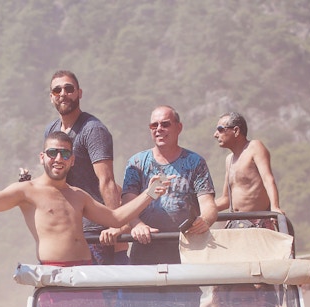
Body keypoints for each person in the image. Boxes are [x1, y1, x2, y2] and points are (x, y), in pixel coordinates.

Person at [0, 131, 169, 265]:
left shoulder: (79, 195)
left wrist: (148, 194)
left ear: (72, 161)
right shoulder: (26, 191)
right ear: (42, 157)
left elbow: (116, 218)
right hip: (55, 277)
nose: (58, 158)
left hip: (86, 272)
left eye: (65, 153)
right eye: (52, 153)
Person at [108, 105, 218, 265]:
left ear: (179, 128)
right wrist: (137, 225)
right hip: (145, 249)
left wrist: (205, 220)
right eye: (154, 125)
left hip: (186, 250)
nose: (159, 129)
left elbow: (208, 204)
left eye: (165, 124)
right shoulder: (136, 163)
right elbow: (127, 204)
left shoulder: (195, 162)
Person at [44, 69, 127, 264]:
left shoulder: (93, 130)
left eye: (68, 88)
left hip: (95, 230)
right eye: (57, 90)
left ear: (79, 93)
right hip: (66, 228)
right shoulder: (51, 130)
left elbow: (106, 181)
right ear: (51, 97)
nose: (63, 94)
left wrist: (115, 226)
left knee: (100, 291)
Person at [213, 112, 282, 222]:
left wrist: (275, 207)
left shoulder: (255, 147)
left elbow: (267, 179)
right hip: (235, 223)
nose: (215, 134)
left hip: (257, 223)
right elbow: (226, 200)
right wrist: (201, 208)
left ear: (236, 130)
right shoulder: (229, 159)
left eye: (220, 129)